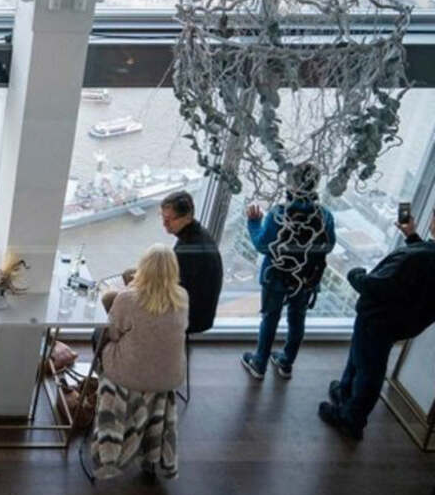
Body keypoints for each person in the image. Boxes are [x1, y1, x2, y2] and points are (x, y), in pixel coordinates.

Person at [318, 208, 435, 441]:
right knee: (360, 358)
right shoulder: (425, 254)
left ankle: (352, 419)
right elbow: (423, 270)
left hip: (380, 320)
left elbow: (377, 285)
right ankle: (346, 393)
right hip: (403, 321)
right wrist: (412, 236)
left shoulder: (416, 258)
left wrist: (355, 274)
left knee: (369, 369)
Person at [90, 244, 188, 481]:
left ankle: (101, 390)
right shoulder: (182, 297)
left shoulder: (128, 298)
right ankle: (151, 453)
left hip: (129, 374)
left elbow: (113, 334)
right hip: (169, 376)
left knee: (98, 334)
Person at [242, 163, 337, 380]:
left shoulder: (279, 214)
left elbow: (263, 245)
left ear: (290, 185)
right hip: (307, 278)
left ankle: (260, 363)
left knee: (270, 318)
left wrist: (253, 223)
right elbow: (329, 245)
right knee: (297, 319)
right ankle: (286, 362)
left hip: (276, 277)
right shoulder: (325, 216)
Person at [160, 191, 223, 334]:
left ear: (187, 218)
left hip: (191, 317)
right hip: (203, 313)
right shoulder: (199, 234)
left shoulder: (188, 250)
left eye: (170, 219)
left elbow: (171, 289)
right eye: (163, 217)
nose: (164, 223)